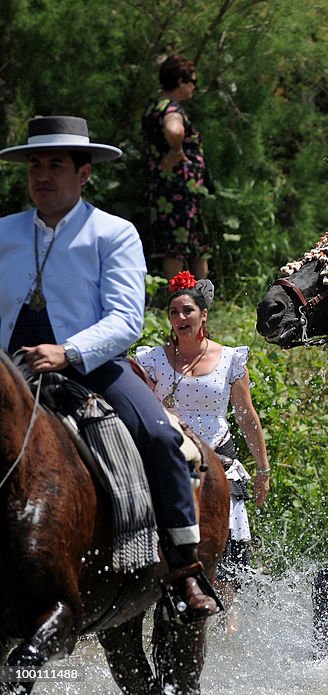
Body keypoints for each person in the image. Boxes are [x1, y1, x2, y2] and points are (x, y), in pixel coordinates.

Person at [0, 115, 217, 617]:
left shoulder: (113, 233)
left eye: (55, 164)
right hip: (10, 368)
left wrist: (69, 352)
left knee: (162, 437)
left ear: (84, 174)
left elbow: (125, 319)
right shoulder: (4, 232)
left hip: (91, 366)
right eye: (35, 165)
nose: (42, 175)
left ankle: (184, 568)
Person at [137, 271, 271, 627]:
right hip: (170, 458)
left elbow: (246, 417)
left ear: (203, 315)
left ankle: (229, 627)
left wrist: (263, 469)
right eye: (174, 313)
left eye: (187, 311)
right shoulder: (153, 360)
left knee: (229, 556)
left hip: (219, 461)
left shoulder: (229, 360)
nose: (180, 318)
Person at [141, 54, 214, 280]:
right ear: (180, 81)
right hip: (179, 191)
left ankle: (190, 301)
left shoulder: (153, 106)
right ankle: (185, 301)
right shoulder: (171, 109)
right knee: (177, 247)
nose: (194, 87)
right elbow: (174, 129)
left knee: (188, 245)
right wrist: (177, 151)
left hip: (166, 188)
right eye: (192, 81)